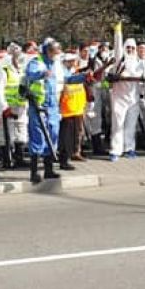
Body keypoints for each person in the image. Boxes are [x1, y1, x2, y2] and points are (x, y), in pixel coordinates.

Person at [23, 40, 89, 183]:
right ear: (47, 51)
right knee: (38, 137)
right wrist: (42, 74)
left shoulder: (57, 65)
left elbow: (67, 79)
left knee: (52, 136)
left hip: (53, 106)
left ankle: (49, 170)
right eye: (54, 52)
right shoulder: (36, 62)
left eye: (58, 52)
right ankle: (34, 172)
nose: (56, 55)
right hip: (38, 106)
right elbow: (30, 75)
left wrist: (84, 77)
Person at [108, 38, 145, 161]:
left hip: (133, 99)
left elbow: (143, 78)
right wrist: (118, 32)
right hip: (119, 98)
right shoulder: (119, 61)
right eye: (128, 47)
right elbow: (110, 74)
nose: (130, 50)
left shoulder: (139, 62)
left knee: (131, 125)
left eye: (132, 48)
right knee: (117, 125)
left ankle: (129, 148)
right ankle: (115, 150)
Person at [0, 44, 29, 168]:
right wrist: (4, 107)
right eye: (16, 57)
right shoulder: (4, 71)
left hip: (21, 106)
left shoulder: (23, 71)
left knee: (21, 132)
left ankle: (19, 158)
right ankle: (6, 159)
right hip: (8, 107)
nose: (19, 60)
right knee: (6, 134)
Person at [58, 52, 86, 169]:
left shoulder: (73, 71)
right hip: (66, 111)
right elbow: (68, 81)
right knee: (66, 137)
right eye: (70, 61)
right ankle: (63, 160)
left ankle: (70, 156)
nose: (72, 63)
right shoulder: (61, 72)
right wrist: (83, 76)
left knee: (73, 136)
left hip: (76, 109)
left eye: (73, 60)